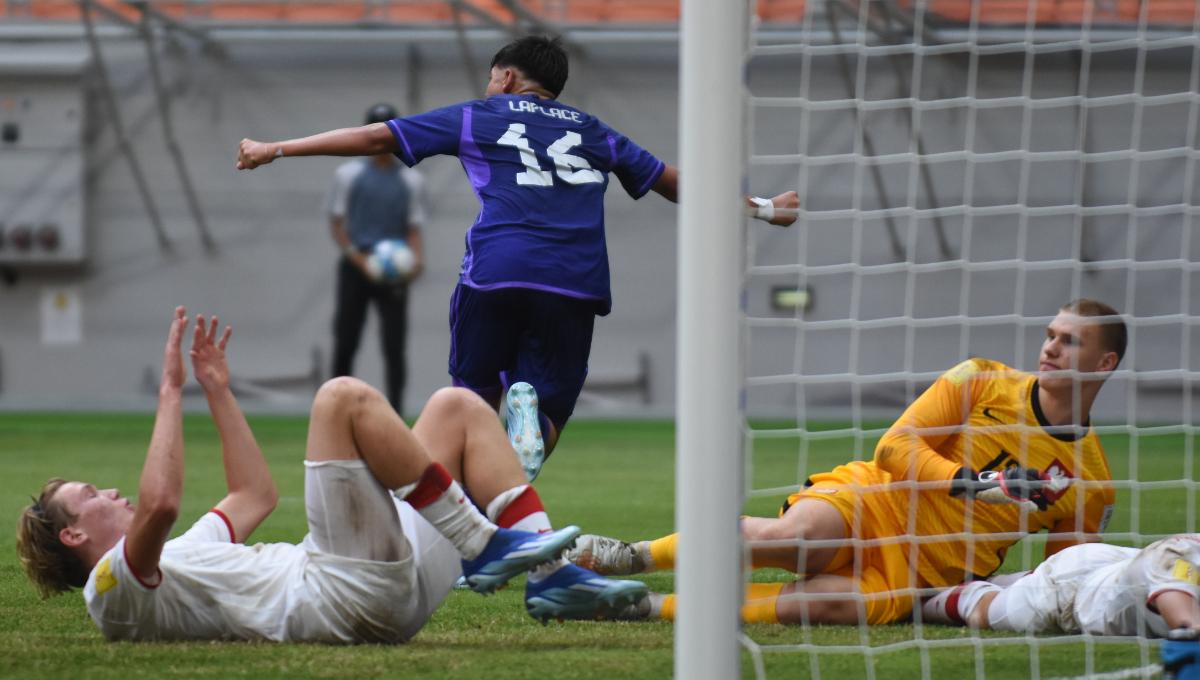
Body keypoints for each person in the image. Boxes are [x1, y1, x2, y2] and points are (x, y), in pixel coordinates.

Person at [235, 35, 800, 482]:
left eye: (490, 77)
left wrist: (276, 148)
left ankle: (462, 528)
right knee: (548, 412)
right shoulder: (594, 131)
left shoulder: (478, 116)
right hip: (576, 281)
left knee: (470, 400)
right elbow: (673, 184)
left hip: (499, 270)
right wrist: (762, 209)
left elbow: (374, 139)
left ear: (505, 77)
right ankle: (524, 432)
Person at [15, 307, 646, 643]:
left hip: (373, 587)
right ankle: (485, 544)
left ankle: (550, 579)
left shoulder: (176, 562)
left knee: (454, 408)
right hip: (337, 593)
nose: (109, 492)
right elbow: (159, 503)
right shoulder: (108, 588)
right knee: (339, 398)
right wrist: (169, 391)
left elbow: (254, 494)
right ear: (73, 536)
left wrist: (218, 391)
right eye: (90, 496)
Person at [568, 299, 1126, 626]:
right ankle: (629, 557)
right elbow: (895, 448)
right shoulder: (979, 378)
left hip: (922, 573)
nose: (1050, 347)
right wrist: (974, 484)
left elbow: (1063, 573)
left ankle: (640, 605)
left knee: (834, 605)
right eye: (1050, 335)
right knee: (797, 533)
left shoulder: (1092, 481)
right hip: (876, 502)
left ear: (1105, 362)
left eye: (1069, 342)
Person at [327, 103, 428, 414]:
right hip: (358, 265)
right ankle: (335, 411)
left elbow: (413, 225)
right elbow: (338, 223)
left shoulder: (411, 180)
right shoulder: (348, 175)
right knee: (345, 340)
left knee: (394, 346)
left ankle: (395, 416)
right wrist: (360, 261)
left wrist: (417, 259)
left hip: (394, 269)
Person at [919, 534, 1200, 638]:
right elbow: (1179, 610)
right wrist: (1190, 626)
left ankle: (1008, 581)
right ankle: (913, 600)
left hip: (1110, 567)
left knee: (1023, 584)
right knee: (982, 611)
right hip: (1068, 591)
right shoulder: (1180, 557)